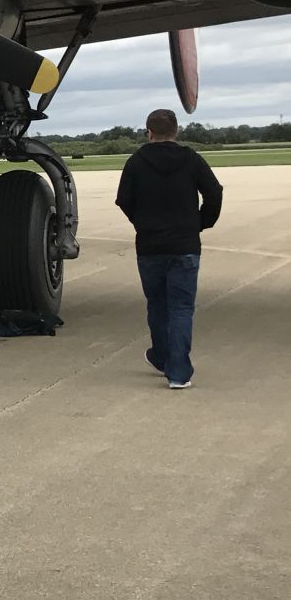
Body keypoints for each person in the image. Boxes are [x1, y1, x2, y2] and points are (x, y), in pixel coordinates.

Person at [114, 108, 223, 389]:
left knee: (158, 305)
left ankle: (162, 357)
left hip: (150, 246)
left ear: (148, 132)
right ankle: (178, 372)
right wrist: (201, 222)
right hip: (185, 244)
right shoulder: (192, 160)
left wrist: (142, 222)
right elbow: (214, 192)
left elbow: (124, 199)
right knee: (181, 308)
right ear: (176, 131)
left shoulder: (136, 161)